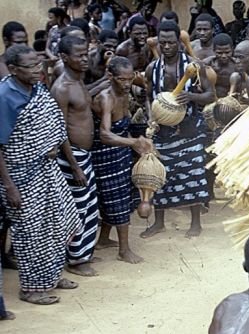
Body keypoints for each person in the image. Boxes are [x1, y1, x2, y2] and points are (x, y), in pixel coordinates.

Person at [0, 45, 80, 305]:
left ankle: (52, 276)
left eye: (39, 64)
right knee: (31, 234)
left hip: (47, 170)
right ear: (13, 70)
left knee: (58, 223)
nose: (38, 70)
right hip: (19, 175)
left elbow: (56, 125)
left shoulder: (36, 88)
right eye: (31, 66)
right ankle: (32, 288)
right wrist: (9, 186)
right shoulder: (5, 96)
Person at [141, 21, 214, 239]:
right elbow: (146, 97)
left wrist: (191, 96)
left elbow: (210, 95)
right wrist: (151, 115)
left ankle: (195, 223)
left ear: (180, 42)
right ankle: (159, 222)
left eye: (171, 42)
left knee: (192, 175)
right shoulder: (152, 69)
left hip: (189, 129)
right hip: (162, 131)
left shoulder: (194, 66)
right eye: (162, 42)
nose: (167, 46)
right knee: (160, 177)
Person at [91, 56, 152, 263]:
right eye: (122, 80)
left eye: (129, 78)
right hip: (105, 154)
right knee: (117, 200)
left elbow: (125, 123)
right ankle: (124, 250)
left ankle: (104, 239)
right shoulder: (106, 97)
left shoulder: (125, 92)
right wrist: (134, 142)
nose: (127, 84)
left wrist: (144, 134)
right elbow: (105, 135)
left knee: (119, 197)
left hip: (120, 152)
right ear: (110, 77)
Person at [51, 35, 100, 277]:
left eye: (86, 54)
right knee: (79, 208)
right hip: (73, 158)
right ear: (64, 58)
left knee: (89, 205)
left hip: (84, 155)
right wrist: (75, 167)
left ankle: (83, 252)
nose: (85, 59)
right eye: (79, 55)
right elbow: (59, 132)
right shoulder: (62, 88)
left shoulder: (79, 81)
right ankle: (76, 259)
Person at [204, 33, 235, 99]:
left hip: (232, 101)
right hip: (211, 101)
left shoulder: (237, 65)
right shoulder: (208, 64)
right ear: (214, 51)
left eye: (227, 52)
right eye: (219, 53)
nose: (224, 56)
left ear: (232, 49)